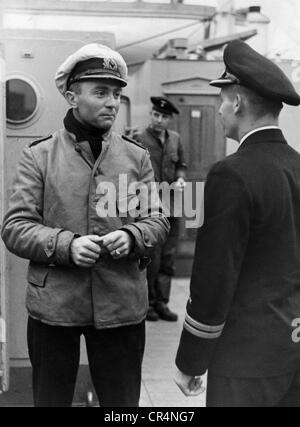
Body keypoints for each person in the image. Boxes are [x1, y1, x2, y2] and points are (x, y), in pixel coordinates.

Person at [1, 43, 169, 407]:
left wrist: (132, 234)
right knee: (51, 399)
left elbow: (156, 219)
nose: (112, 102)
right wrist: (67, 245)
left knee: (122, 405)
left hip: (121, 301)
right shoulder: (40, 155)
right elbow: (15, 226)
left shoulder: (135, 157)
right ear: (72, 96)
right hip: (55, 304)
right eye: (101, 92)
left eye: (116, 93)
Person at [175, 40, 300, 407]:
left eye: (222, 99)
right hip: (293, 347)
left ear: (239, 103)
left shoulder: (231, 174)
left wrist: (192, 359)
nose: (218, 110)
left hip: (246, 358)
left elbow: (215, 277)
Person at [134, 97, 187, 322]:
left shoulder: (175, 139)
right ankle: (147, 305)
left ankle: (162, 303)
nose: (158, 119)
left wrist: (181, 178)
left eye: (163, 116)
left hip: (172, 205)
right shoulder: (139, 138)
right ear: (151, 114)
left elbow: (181, 165)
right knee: (151, 257)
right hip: (149, 207)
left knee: (168, 257)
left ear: (169, 119)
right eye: (156, 114)